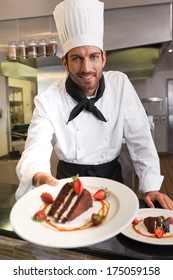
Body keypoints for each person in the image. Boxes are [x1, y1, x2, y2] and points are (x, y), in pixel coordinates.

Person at [15, 0, 173, 210]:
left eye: (93, 57)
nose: (86, 68)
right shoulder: (49, 98)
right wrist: (37, 173)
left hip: (113, 183)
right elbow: (36, 145)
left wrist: (151, 186)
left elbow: (140, 137)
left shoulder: (120, 84)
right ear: (65, 62)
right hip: (68, 184)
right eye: (77, 58)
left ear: (103, 59)